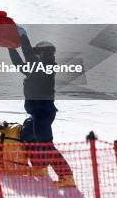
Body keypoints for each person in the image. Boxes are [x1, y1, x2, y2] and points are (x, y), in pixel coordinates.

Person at [8, 29, 76, 188]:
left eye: (38, 52)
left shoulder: (47, 66)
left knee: (46, 144)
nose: (35, 54)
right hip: (36, 111)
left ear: (45, 53)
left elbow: (29, 56)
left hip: (43, 112)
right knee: (28, 135)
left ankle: (66, 177)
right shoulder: (36, 68)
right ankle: (39, 168)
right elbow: (20, 65)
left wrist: (23, 37)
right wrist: (10, 48)